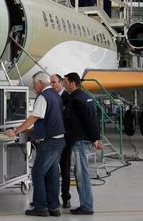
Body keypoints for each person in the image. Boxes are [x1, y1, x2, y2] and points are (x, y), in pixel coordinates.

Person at [5, 71, 66, 217]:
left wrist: (16, 131)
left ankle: (40, 207)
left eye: (34, 84)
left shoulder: (43, 97)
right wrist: (29, 131)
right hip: (59, 140)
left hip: (50, 142)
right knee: (52, 174)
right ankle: (54, 207)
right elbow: (45, 120)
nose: (33, 87)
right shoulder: (56, 96)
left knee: (37, 172)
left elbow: (33, 118)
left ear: (40, 82)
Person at [63, 72, 103, 215]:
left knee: (82, 175)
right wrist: (96, 138)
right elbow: (94, 117)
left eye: (65, 82)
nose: (63, 84)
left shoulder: (76, 100)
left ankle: (86, 206)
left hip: (80, 141)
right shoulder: (85, 97)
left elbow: (89, 120)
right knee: (80, 173)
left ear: (72, 83)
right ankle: (86, 204)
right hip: (84, 139)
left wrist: (95, 139)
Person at [50, 74, 71, 209]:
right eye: (50, 83)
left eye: (54, 82)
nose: (51, 85)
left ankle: (65, 197)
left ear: (61, 83)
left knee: (65, 169)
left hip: (65, 139)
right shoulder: (51, 96)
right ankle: (52, 198)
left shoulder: (68, 98)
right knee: (51, 169)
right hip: (52, 139)